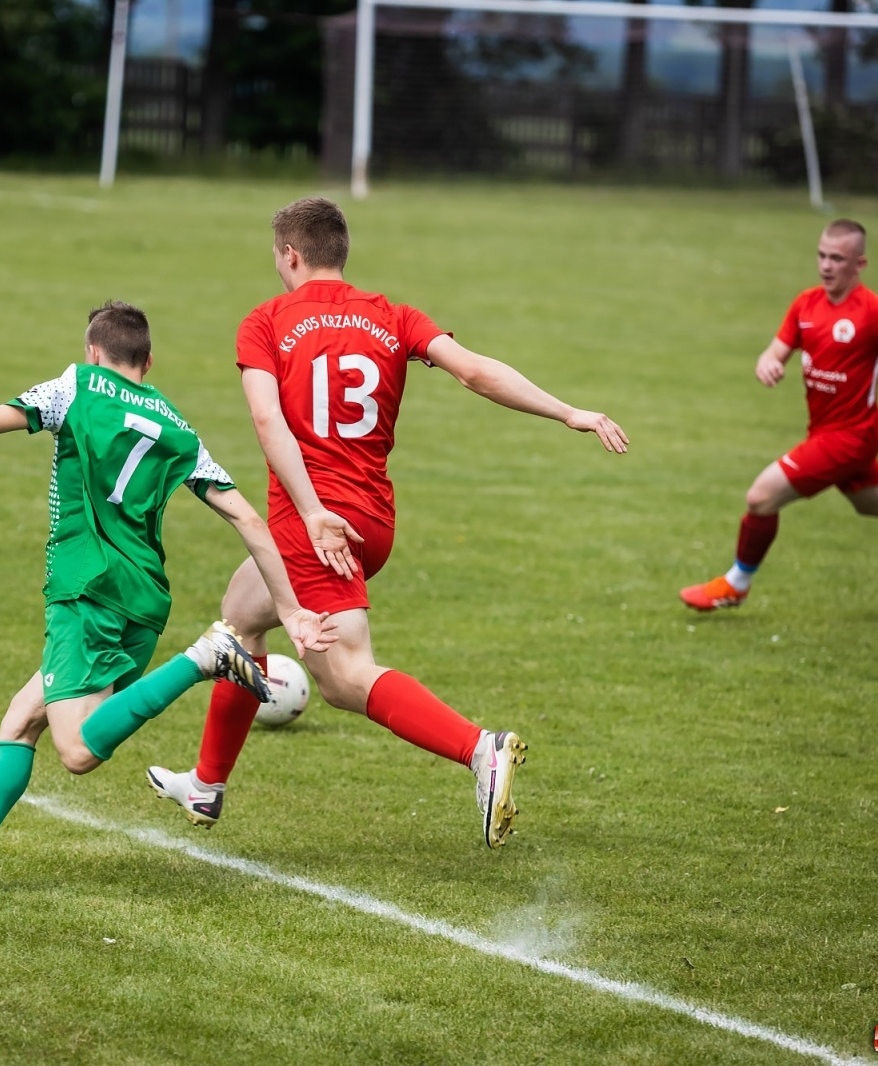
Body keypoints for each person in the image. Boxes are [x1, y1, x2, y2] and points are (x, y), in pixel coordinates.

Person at [145, 197, 628, 849]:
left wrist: (312, 510)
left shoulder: (265, 321)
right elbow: (477, 372)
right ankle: (207, 782)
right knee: (241, 615)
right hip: (371, 517)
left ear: (289, 254)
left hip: (315, 525)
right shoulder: (390, 315)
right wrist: (568, 411)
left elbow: (267, 421)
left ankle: (479, 750)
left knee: (345, 677)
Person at [0, 300, 335, 890]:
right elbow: (251, 523)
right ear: (148, 360)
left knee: (78, 751)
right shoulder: (177, 427)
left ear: (93, 352)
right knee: (21, 718)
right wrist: (290, 610)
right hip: (143, 601)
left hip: (85, 593)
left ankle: (204, 658)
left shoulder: (75, 387)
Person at [680, 220, 878, 612]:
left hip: (850, 436)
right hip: (826, 430)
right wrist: (768, 363)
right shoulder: (806, 304)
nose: (826, 265)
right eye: (822, 255)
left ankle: (737, 584)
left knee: (761, 496)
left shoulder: (876, 312)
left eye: (837, 258)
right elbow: (775, 351)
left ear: (859, 263)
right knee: (875, 502)